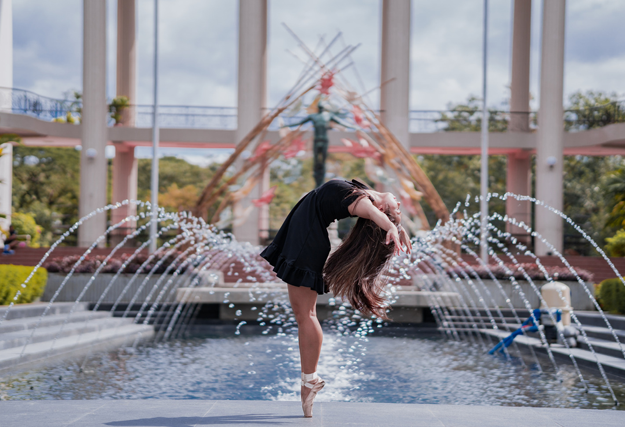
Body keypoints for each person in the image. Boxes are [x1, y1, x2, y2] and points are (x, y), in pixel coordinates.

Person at [260, 179, 411, 418]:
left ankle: (309, 380)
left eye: (394, 211)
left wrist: (391, 226)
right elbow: (375, 212)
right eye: (397, 211)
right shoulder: (362, 192)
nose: (399, 206)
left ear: (381, 211)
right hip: (304, 238)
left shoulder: (364, 204)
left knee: (305, 315)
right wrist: (397, 227)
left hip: (305, 242)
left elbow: (372, 213)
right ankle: (309, 381)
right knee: (304, 315)